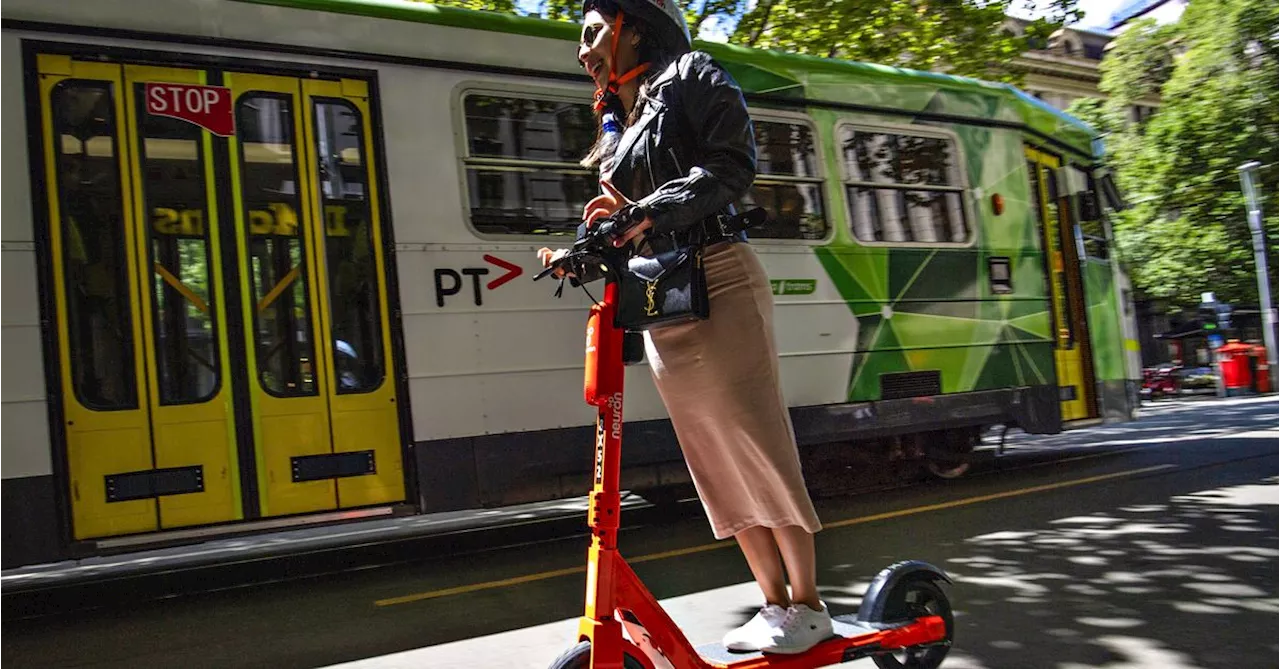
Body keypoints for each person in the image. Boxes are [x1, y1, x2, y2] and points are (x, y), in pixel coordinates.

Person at [538, 0, 831, 655]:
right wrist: (585, 247)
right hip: (660, 295)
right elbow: (627, 217)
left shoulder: (695, 74)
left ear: (632, 24)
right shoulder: (625, 118)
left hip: (719, 273)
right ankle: (772, 599)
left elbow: (729, 170)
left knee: (754, 435)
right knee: (711, 453)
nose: (583, 52)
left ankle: (808, 602)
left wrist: (644, 211)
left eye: (591, 34)